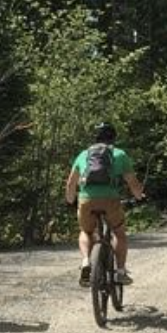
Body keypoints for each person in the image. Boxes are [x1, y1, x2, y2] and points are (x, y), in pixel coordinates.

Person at [64, 121, 145, 287]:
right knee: (119, 232)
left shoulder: (83, 155)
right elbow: (133, 183)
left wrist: (70, 200)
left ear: (95, 138)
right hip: (110, 200)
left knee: (86, 232)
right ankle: (121, 272)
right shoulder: (120, 154)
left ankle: (86, 261)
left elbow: (71, 183)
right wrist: (140, 197)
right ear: (113, 137)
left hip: (86, 199)